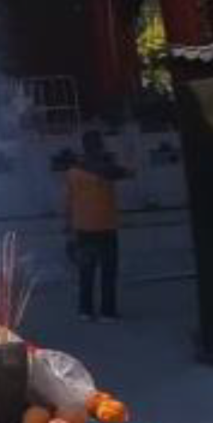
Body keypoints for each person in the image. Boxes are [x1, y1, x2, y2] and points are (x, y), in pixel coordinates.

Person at [62, 135, 126, 322]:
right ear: (100, 147)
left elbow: (68, 202)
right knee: (108, 272)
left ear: (84, 148)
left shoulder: (73, 173)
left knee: (86, 272)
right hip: (106, 227)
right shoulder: (108, 170)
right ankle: (107, 312)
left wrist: (67, 227)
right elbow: (131, 170)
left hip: (83, 228)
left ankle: (85, 311)